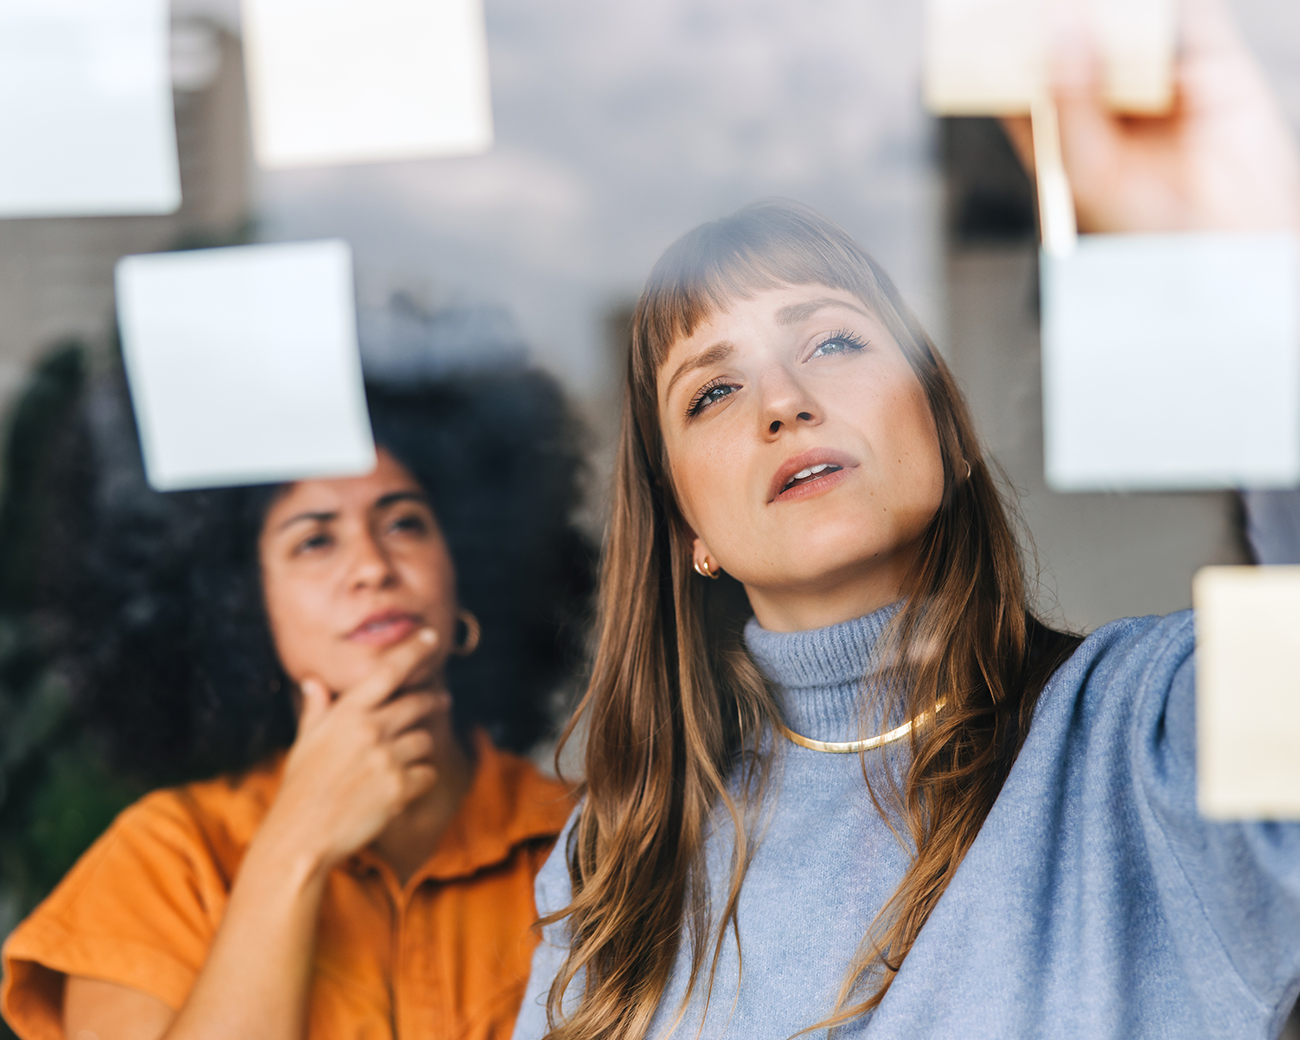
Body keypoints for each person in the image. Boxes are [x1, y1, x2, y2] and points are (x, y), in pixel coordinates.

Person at [512, 3, 1300, 1038]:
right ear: (686, 529)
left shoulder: (1144, 736)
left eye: (832, 341)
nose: (782, 401)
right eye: (710, 392)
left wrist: (1255, 274)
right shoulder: (618, 853)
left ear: (947, 424)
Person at [0, 345, 594, 1040]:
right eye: (315, 541)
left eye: (403, 522)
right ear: (242, 609)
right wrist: (297, 845)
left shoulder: (590, 841)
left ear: (465, 569)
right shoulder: (165, 860)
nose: (372, 566)